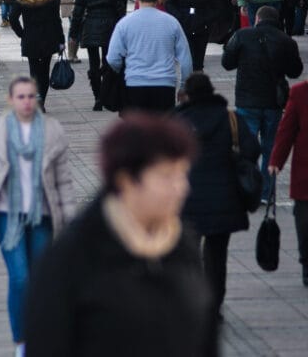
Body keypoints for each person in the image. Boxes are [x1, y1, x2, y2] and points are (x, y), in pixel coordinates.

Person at [23, 114, 216, 356]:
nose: (181, 188)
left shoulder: (182, 245)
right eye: (167, 176)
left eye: (182, 174)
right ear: (126, 181)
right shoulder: (72, 257)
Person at [0, 76, 74, 355]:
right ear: (10, 100)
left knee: (39, 280)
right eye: (21, 97)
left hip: (42, 215)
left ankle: (40, 334)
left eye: (31, 96)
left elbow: (63, 181)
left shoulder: (52, 130)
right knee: (19, 278)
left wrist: (67, 222)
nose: (27, 102)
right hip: (8, 216)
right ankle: (21, 342)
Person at [175, 73, 255, 321]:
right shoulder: (230, 119)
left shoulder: (177, 121)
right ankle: (213, 305)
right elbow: (253, 149)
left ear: (187, 94)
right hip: (223, 199)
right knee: (217, 257)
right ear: (211, 91)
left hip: (185, 201)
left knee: (187, 254)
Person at [221, 5, 303, 201]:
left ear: (257, 19)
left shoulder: (242, 36)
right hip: (273, 102)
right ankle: (267, 191)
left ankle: (249, 188)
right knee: (270, 147)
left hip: (247, 100)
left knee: (247, 147)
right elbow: (295, 71)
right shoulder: (286, 41)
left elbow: (226, 63)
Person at [107, 0, 193, 114]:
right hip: (165, 84)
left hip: (135, 84)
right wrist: (183, 87)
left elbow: (112, 58)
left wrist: (122, 71)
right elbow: (186, 61)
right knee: (162, 132)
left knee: (139, 132)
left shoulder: (124, 24)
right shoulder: (172, 23)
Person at [69, 0, 123, 111]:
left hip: (91, 24)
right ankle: (106, 95)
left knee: (93, 63)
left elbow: (78, 11)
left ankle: (97, 96)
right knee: (108, 61)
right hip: (109, 24)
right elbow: (118, 5)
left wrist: (73, 33)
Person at [269, 79, 308, 287]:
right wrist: (276, 160)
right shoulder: (300, 93)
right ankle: (306, 263)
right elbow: (287, 130)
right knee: (304, 222)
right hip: (305, 174)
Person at [9, 0, 63, 111]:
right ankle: (41, 101)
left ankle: (36, 98)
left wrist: (21, 33)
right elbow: (56, 19)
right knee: (44, 71)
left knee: (34, 71)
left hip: (30, 37)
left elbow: (12, 17)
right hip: (48, 36)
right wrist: (61, 39)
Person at [166, 0, 220, 72]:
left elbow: (216, 7)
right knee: (187, 59)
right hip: (185, 25)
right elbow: (170, 3)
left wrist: (207, 20)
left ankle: (198, 84)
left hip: (202, 27)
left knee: (199, 61)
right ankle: (188, 84)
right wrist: (179, 17)